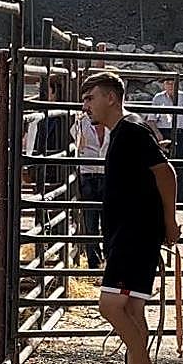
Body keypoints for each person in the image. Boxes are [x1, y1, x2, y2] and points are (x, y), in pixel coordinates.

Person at [82, 71, 178, 364]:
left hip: (136, 234)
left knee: (110, 305)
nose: (87, 105)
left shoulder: (132, 131)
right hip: (129, 233)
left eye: (91, 97)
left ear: (111, 97)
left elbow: (166, 173)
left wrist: (169, 221)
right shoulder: (121, 134)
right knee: (133, 308)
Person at [71, 109, 109, 269]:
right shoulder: (80, 123)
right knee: (90, 221)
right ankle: (94, 263)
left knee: (109, 221)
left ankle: (110, 262)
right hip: (88, 175)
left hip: (109, 174)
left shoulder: (113, 123)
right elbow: (76, 146)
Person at [150, 77, 183, 203]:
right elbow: (151, 120)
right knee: (163, 166)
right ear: (163, 85)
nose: (170, 85)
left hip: (181, 132)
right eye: (167, 83)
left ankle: (180, 199)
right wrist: (158, 135)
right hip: (165, 132)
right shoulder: (158, 98)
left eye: (173, 83)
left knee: (181, 167)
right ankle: (163, 197)